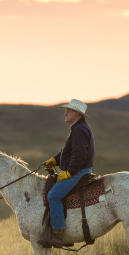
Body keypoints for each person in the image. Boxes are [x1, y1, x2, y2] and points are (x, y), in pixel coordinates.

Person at [41, 98, 95, 247]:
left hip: (79, 172)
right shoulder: (77, 128)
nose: (65, 113)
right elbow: (68, 152)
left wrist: (69, 173)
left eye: (69, 111)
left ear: (77, 114)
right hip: (77, 170)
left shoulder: (79, 130)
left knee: (53, 196)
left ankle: (58, 234)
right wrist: (54, 160)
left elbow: (79, 155)